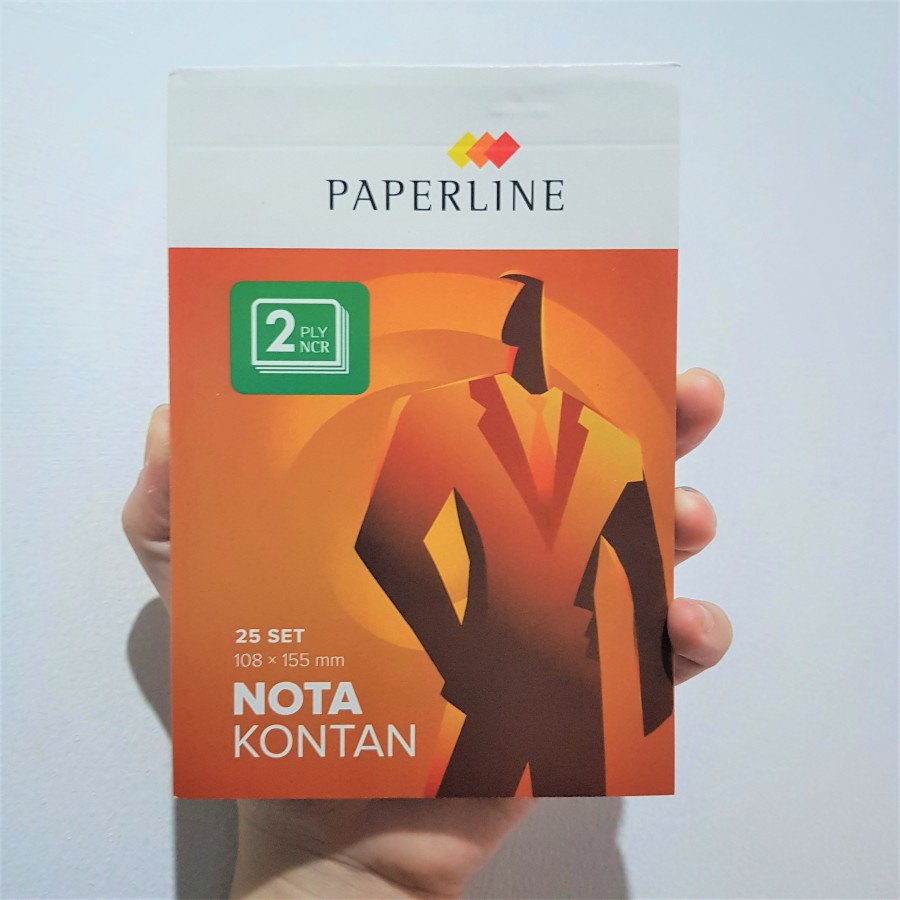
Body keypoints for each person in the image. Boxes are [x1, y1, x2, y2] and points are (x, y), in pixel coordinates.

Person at [123, 367, 732, 898]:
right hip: (488, 686)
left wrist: (646, 708)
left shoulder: (615, 441)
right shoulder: (442, 413)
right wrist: (461, 657)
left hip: (577, 698)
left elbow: (642, 567)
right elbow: (383, 541)